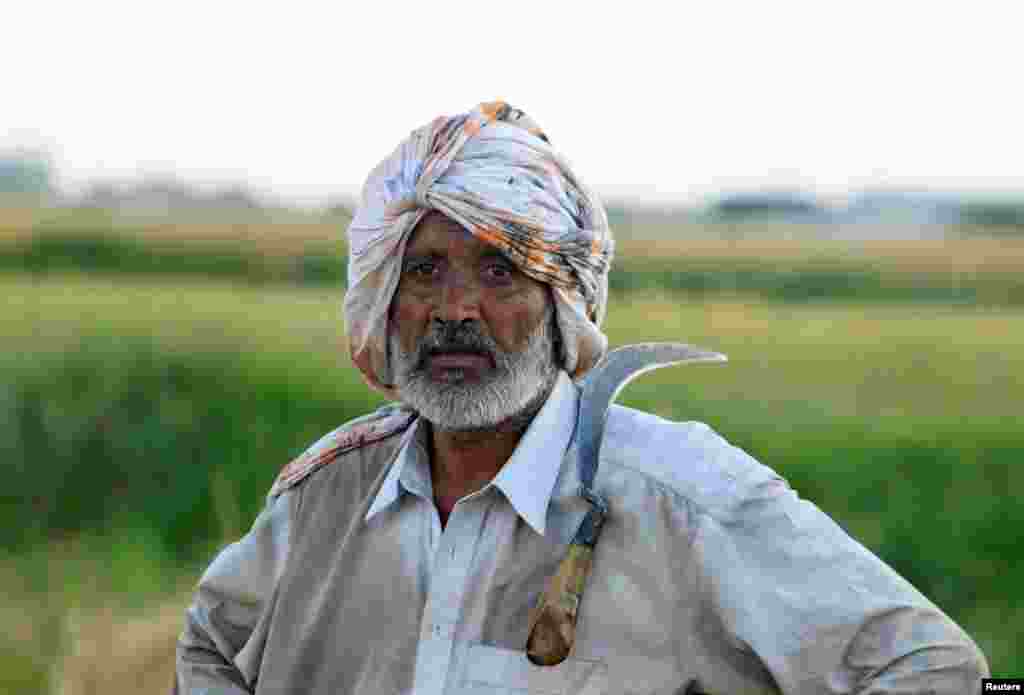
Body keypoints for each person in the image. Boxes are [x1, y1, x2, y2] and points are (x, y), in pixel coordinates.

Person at [175, 101, 988, 694]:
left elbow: (929, 668)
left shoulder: (680, 496)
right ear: (384, 299)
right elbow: (209, 647)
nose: (456, 309)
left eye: (499, 270)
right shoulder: (324, 500)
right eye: (425, 269)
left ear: (563, 307)